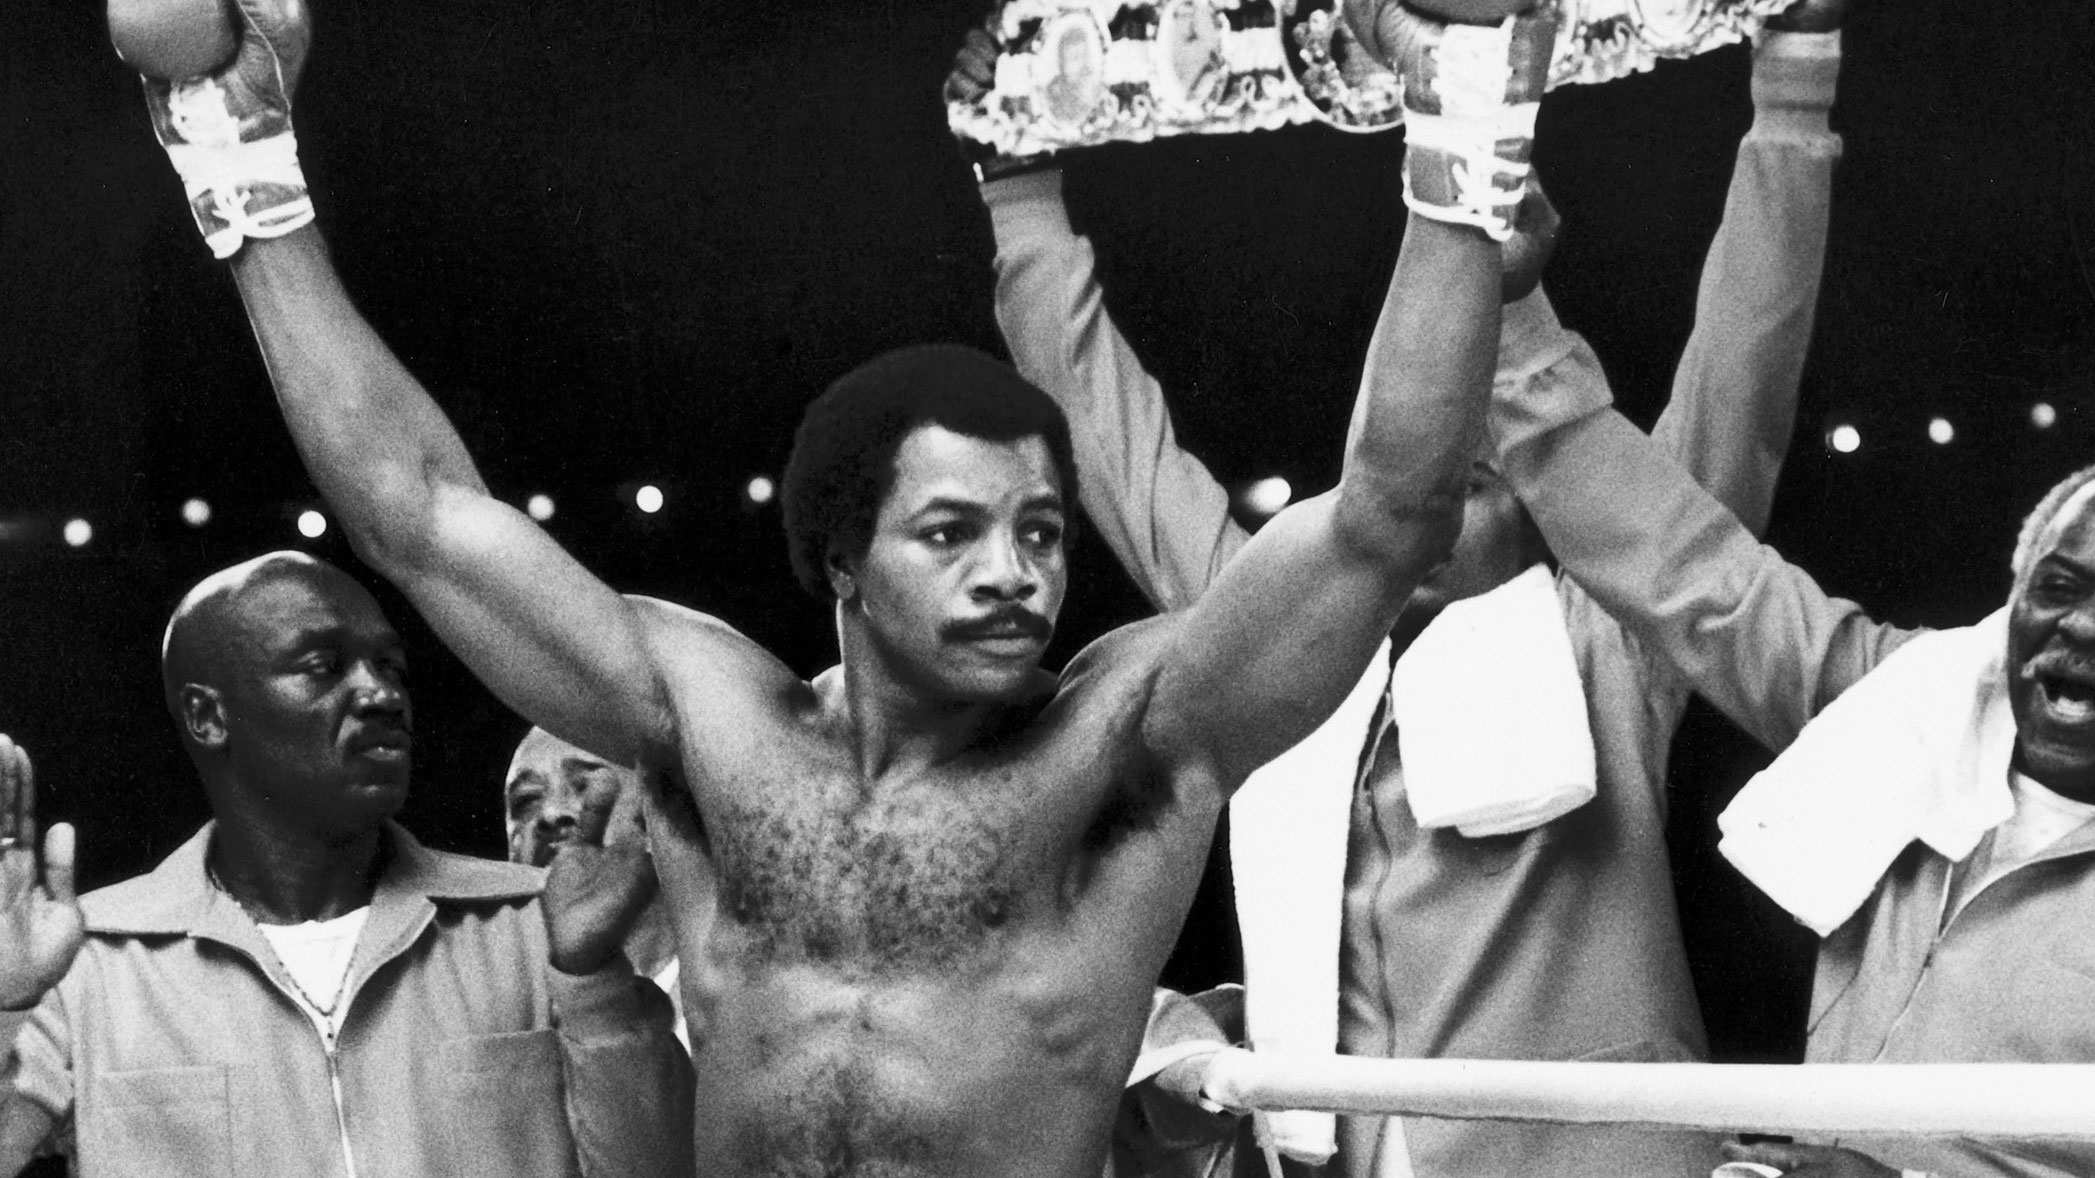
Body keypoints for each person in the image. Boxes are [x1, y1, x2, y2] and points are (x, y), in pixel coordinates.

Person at [119, 0, 1562, 1174]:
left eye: (1041, 532)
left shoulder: (1122, 741)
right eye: (952, 532)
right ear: (841, 561)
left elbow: (1384, 516)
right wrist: (240, 158)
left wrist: (1466, 116)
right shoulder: (705, 725)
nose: (1014, 574)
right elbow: (419, 513)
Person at [955, 3, 1849, 1175]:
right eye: (1415, 464)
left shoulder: (1611, 639)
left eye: (1473, 473)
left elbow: (1743, 373)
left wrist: (1794, 86)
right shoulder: (1271, 630)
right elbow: (1106, 438)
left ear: (1541, 512)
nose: (1433, 489)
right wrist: (1016, 185)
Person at [0, 551, 694, 1178]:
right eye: (324, 666)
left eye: (391, 667)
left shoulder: (527, 926)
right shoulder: (88, 963)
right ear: (208, 717)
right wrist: (4, 1004)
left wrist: (595, 982)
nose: (382, 694)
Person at [504, 725, 688, 1050]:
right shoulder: (504, 1016)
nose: (550, 813)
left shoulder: (736, 995)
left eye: (586, 787)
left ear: (658, 814)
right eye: (528, 799)